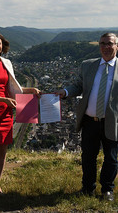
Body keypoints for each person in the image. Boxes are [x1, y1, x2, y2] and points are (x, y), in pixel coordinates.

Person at [0, 30, 40, 202]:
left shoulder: (6, 63)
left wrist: (30, 90)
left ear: (2, 46)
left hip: (6, 114)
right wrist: (3, 99)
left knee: (3, 153)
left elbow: (13, 88)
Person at [56, 32, 118, 202]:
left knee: (111, 158)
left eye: (110, 43)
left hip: (113, 122)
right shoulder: (88, 65)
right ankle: (87, 188)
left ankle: (107, 190)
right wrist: (66, 91)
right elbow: (78, 85)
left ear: (116, 46)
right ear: (99, 46)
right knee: (88, 156)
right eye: (103, 43)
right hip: (90, 121)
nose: (106, 47)